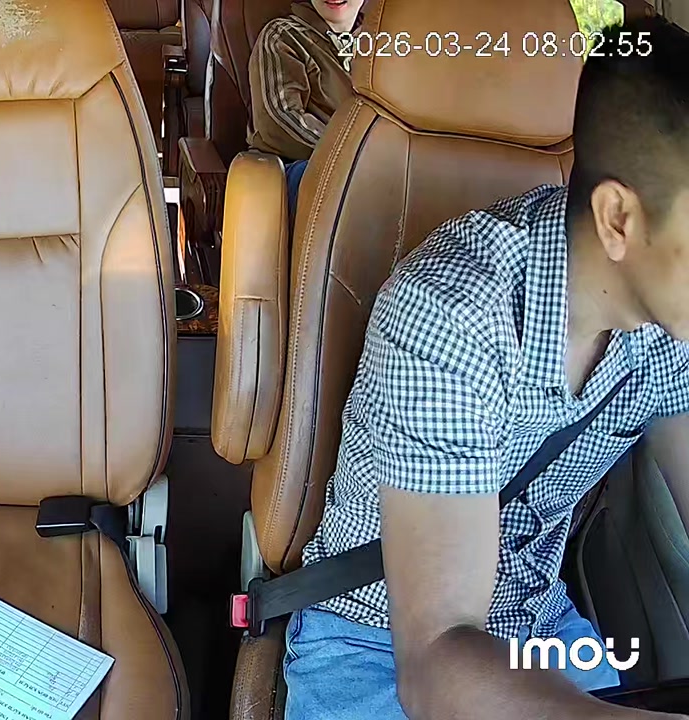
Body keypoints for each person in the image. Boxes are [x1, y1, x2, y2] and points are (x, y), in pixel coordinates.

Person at [283, 17, 689, 720]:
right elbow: (436, 658)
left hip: (540, 628)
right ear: (619, 219)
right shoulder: (449, 314)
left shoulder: (668, 327)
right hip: (376, 642)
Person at [246, 0, 361, 221]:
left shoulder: (389, 45)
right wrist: (355, 155)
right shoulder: (282, 37)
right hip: (304, 168)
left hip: (379, 167)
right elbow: (278, 120)